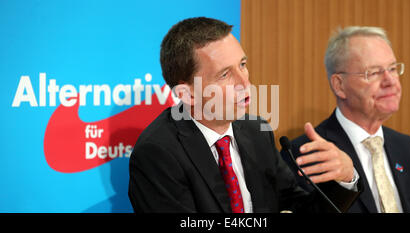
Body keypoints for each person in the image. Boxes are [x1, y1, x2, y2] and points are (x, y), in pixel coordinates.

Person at [128, 17, 361, 213]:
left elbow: (299, 207)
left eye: (242, 64)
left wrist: (345, 179)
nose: (245, 83)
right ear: (187, 94)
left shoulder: (255, 131)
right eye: (224, 75)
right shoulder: (158, 153)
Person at [286, 26, 410, 213]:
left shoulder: (407, 148)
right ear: (339, 85)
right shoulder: (308, 154)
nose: (390, 81)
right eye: (373, 73)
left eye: (392, 69)